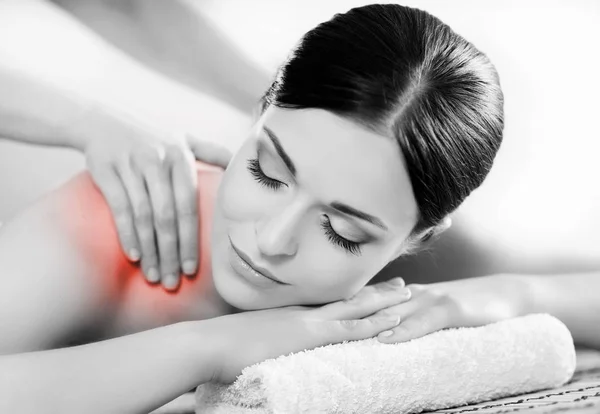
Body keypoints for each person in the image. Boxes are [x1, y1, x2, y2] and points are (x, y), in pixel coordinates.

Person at [0, 4, 598, 414]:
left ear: (418, 236)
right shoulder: (111, 224)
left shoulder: (407, 280)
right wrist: (209, 346)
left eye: (341, 232)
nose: (271, 239)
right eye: (266, 170)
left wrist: (511, 296)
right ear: (258, 113)